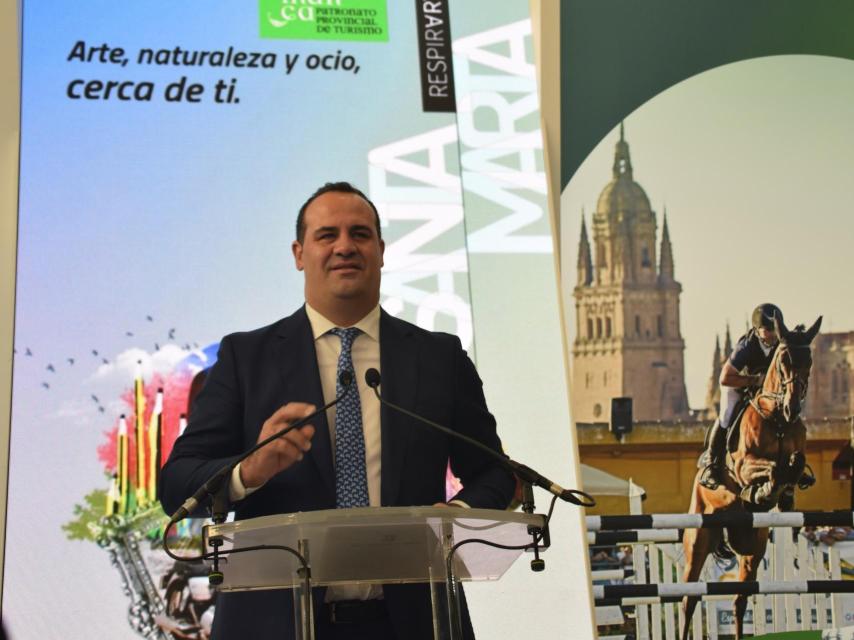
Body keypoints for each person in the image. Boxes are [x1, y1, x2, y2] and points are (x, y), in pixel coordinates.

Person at [159, 182, 516, 640]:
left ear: (381, 250)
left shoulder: (438, 358)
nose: (345, 246)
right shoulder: (246, 358)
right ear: (299, 253)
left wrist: (449, 519)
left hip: (414, 622)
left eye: (360, 234)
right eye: (327, 235)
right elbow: (176, 484)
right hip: (275, 624)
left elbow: (495, 472)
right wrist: (249, 471)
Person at [698, 303, 783, 490]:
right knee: (726, 416)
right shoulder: (746, 346)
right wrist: (754, 380)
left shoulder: (780, 344)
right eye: (768, 330)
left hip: (763, 392)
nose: (773, 334)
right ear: (758, 330)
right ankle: (711, 464)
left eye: (775, 329)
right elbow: (725, 377)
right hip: (737, 385)